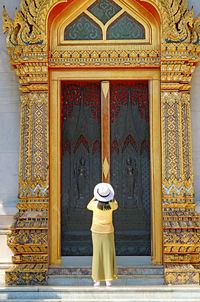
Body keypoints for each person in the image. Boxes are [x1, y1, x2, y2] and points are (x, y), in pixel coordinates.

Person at [87, 182, 118, 287]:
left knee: (97, 255)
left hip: (96, 231)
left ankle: (97, 280)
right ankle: (109, 280)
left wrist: (95, 197)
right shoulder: (112, 205)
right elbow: (116, 203)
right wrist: (111, 197)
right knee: (108, 255)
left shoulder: (94, 205)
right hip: (108, 231)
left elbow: (88, 205)